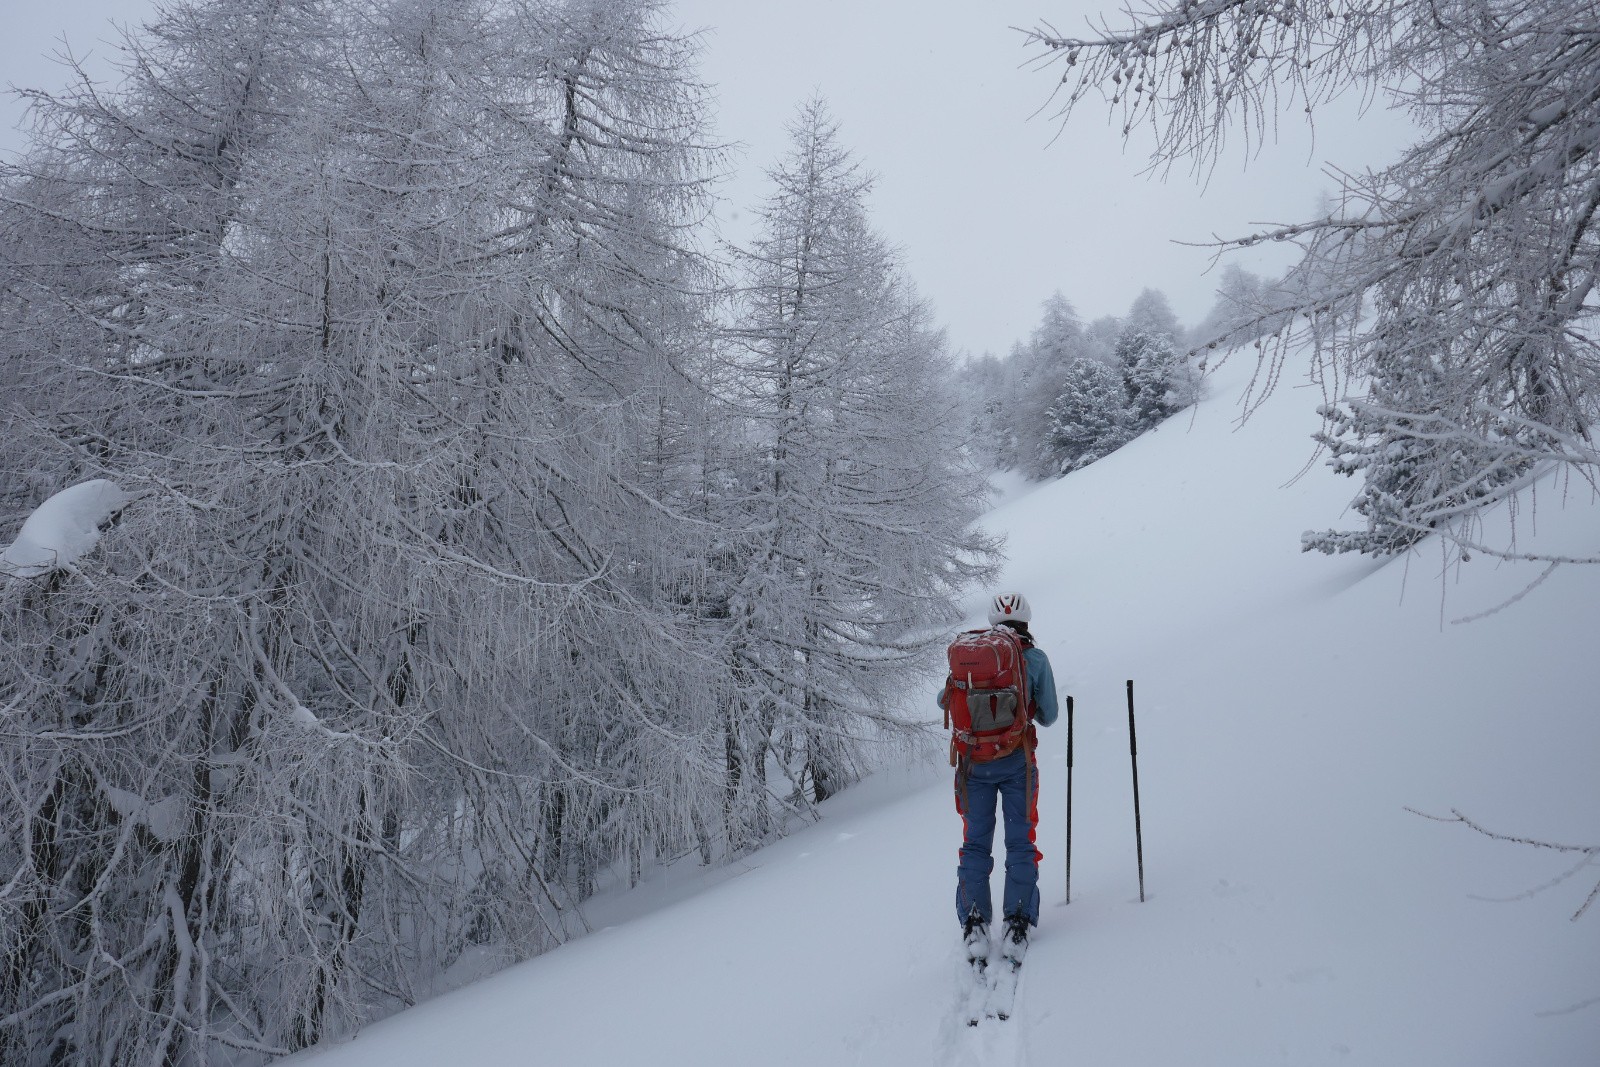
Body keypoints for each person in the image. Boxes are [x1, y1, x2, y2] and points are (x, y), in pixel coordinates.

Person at [940, 591, 1059, 954]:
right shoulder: (1035, 658)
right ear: (1027, 620)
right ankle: (1018, 920)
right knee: (1020, 841)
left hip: (973, 765)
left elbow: (944, 701)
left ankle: (974, 922)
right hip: (1016, 762)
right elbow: (1050, 715)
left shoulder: (969, 658)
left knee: (975, 844)